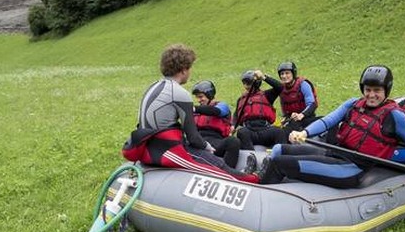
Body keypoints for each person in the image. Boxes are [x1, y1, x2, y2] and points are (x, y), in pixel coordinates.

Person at [256, 65, 405, 188]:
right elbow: (328, 121)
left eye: (377, 90)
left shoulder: (395, 115)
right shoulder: (353, 103)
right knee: (279, 149)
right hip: (334, 153)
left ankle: (261, 195)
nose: (371, 95)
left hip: (351, 168)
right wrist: (305, 132)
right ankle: (266, 177)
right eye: (368, 89)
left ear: (386, 91)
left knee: (279, 163)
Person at [121, 44, 259, 184]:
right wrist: (209, 148)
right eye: (190, 67)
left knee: (209, 157)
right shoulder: (180, 93)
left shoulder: (152, 86)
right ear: (183, 70)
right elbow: (193, 138)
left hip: (148, 147)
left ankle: (242, 173)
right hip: (164, 151)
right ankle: (254, 179)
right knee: (217, 166)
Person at [192, 80, 242, 168]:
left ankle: (228, 171)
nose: (199, 100)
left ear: (209, 95)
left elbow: (216, 111)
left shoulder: (222, 106)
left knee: (233, 141)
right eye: (197, 97)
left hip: (216, 143)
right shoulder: (196, 112)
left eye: (201, 97)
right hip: (199, 143)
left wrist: (194, 109)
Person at [233, 69, 287, 151]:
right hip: (249, 131)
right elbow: (236, 116)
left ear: (257, 83)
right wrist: (233, 126)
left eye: (248, 83)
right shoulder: (241, 100)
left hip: (265, 129)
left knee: (279, 132)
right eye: (244, 83)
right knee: (241, 132)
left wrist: (263, 77)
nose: (246, 85)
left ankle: (279, 156)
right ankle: (251, 157)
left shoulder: (267, 95)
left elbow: (280, 87)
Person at [277, 61, 319, 132]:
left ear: (293, 73)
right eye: (282, 74)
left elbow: (312, 104)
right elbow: (285, 110)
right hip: (292, 120)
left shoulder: (303, 84)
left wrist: (301, 115)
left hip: (306, 117)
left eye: (287, 73)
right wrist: (286, 118)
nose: (284, 76)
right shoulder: (282, 89)